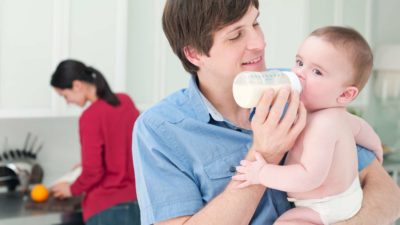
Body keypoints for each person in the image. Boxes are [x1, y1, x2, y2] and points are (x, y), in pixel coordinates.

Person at [132, 1, 400, 225]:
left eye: (256, 23)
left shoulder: (303, 90)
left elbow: (389, 195)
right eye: (236, 35)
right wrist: (265, 153)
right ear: (194, 54)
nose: (259, 43)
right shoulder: (160, 128)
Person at [232, 26, 383, 225]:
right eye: (299, 62)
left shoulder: (324, 125)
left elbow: (308, 176)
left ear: (345, 94)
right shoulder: (339, 117)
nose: (300, 73)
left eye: (317, 72)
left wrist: (261, 173)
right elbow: (364, 130)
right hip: (344, 196)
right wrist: (377, 149)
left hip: (325, 207)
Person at [50, 59, 141, 225]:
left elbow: (93, 172)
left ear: (77, 85)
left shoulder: (90, 116)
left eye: (65, 95)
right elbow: (128, 147)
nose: (67, 101)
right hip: (137, 204)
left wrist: (71, 189)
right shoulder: (125, 101)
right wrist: (85, 163)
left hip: (106, 209)